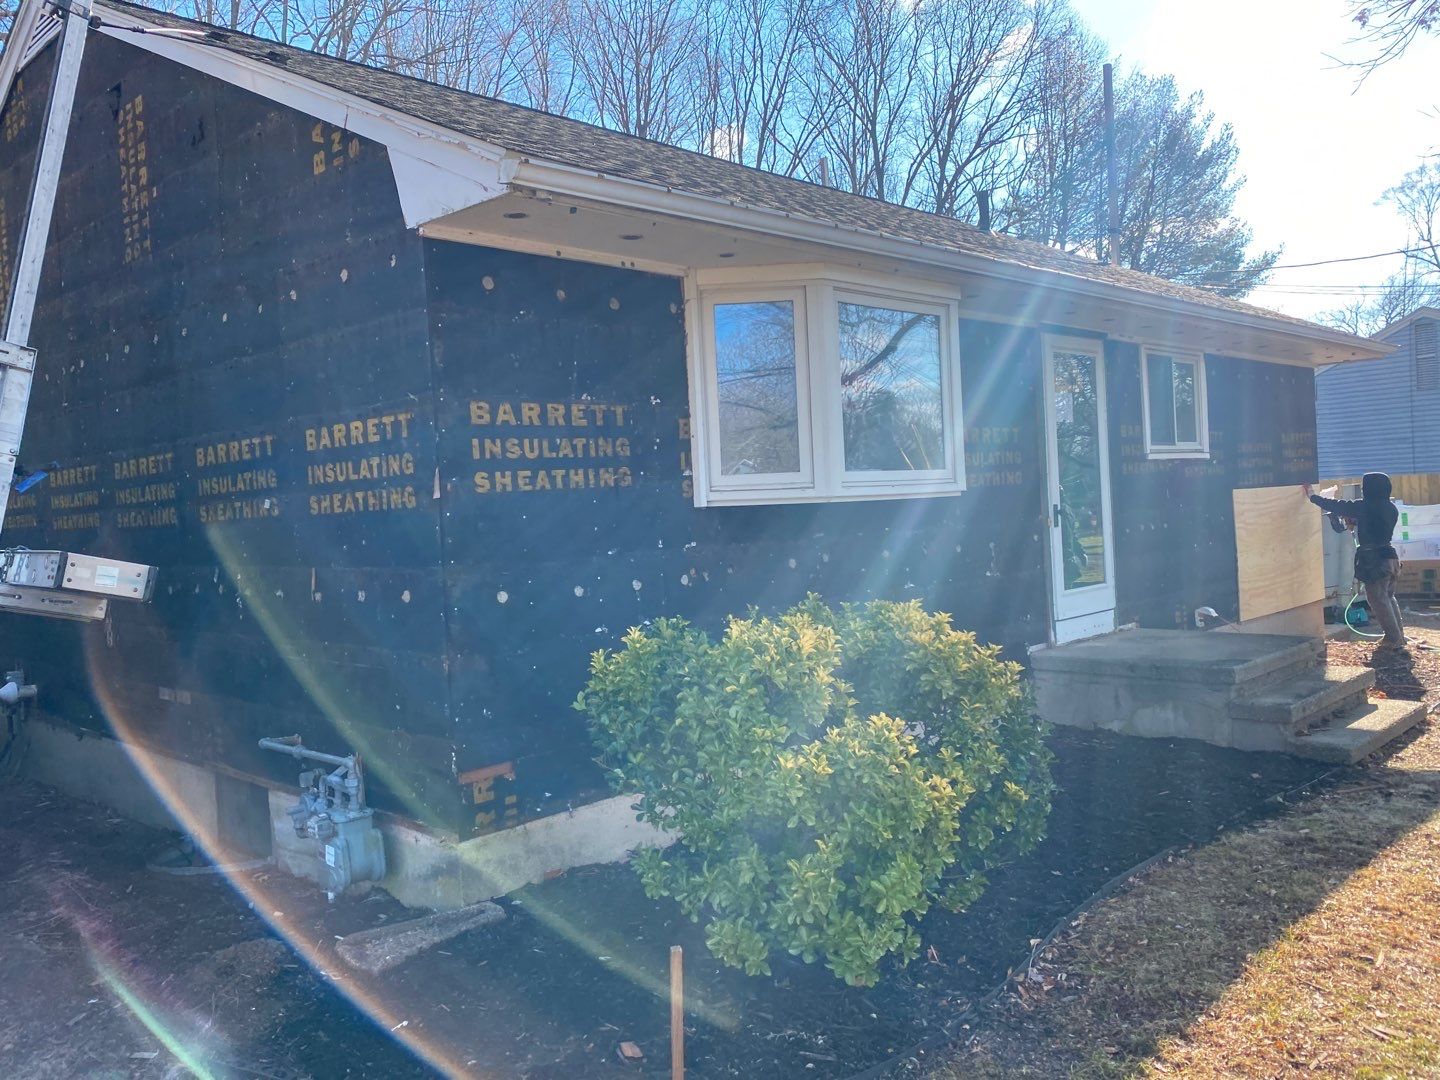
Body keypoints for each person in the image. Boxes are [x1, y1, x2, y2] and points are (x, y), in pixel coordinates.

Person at [1303, 474, 1406, 649]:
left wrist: (1313, 496)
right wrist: (1358, 521)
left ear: (1369, 489)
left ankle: (1393, 640)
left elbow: (1337, 505)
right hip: (1390, 557)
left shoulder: (1365, 506)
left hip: (1375, 560)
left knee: (1378, 600)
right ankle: (1399, 637)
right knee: (1388, 597)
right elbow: (1374, 524)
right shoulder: (1390, 507)